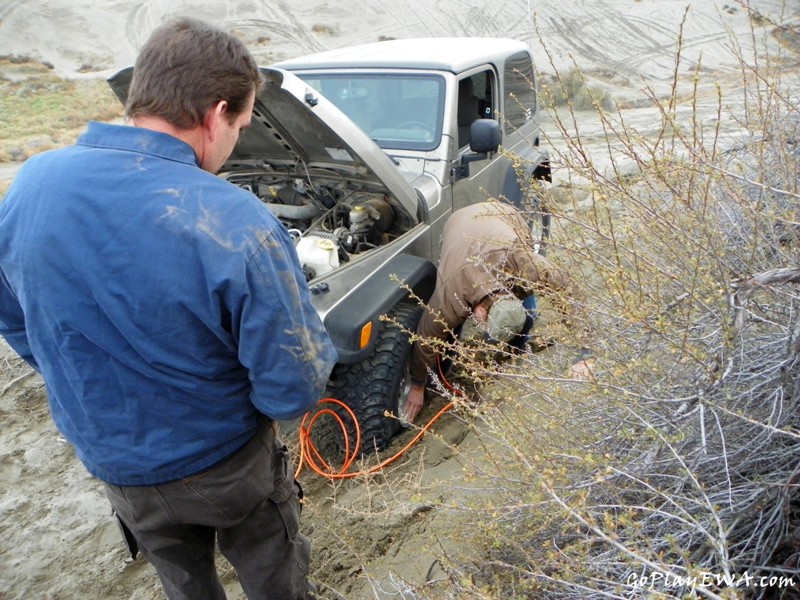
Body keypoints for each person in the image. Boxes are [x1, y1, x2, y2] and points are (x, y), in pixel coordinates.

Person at [0, 17, 337, 600]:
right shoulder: (238, 223)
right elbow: (294, 385)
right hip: (225, 466)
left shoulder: (33, 183)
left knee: (182, 584)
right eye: (242, 125)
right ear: (216, 114)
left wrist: (86, 378)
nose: (235, 143)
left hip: (114, 464)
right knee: (273, 577)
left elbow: (16, 318)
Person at [405, 201, 591, 424]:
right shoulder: (450, 294)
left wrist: (586, 352)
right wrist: (417, 385)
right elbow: (426, 339)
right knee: (449, 326)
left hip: (506, 220)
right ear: (481, 309)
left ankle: (517, 345)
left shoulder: (525, 265)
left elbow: (567, 291)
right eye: (484, 323)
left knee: (528, 312)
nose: (481, 325)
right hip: (460, 221)